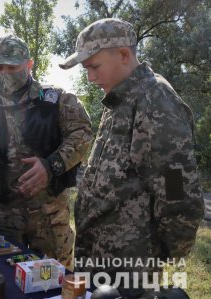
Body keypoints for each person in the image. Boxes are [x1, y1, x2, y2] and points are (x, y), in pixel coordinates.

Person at [59, 18, 204, 297]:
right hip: (100, 255)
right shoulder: (120, 98)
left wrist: (164, 253)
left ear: (124, 55)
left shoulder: (154, 99)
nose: (90, 77)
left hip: (129, 263)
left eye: (94, 66)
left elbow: (177, 188)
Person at [0, 35, 93, 269]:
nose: (5, 72)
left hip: (50, 222)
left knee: (53, 284)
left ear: (29, 65)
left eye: (12, 66)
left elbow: (82, 134)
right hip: (2, 224)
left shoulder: (57, 99)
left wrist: (51, 165)